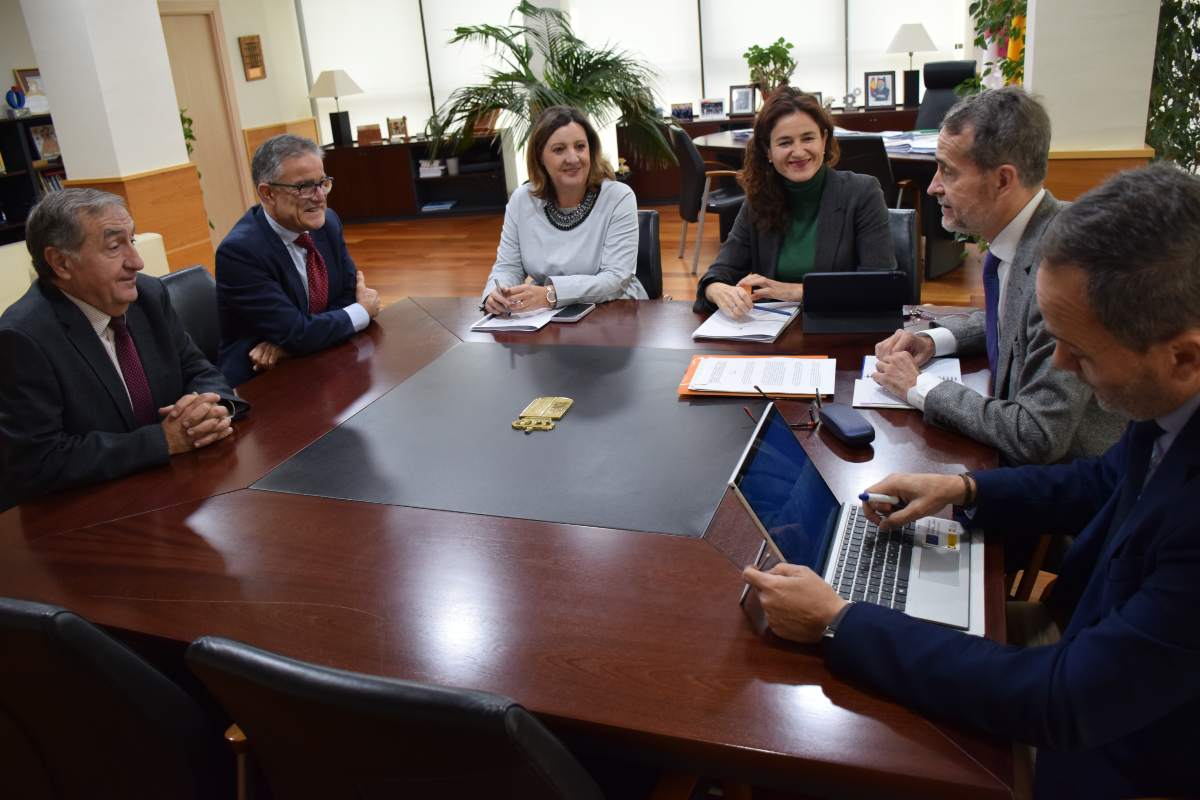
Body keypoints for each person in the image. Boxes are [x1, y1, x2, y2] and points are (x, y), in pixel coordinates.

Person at [743, 164, 1200, 798]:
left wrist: (840, 623)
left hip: (1114, 756)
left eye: (1082, 351)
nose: (1061, 363)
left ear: (1184, 356)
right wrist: (965, 491)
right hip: (1089, 648)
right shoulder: (1171, 405)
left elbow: (1062, 699)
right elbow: (1103, 480)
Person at [873, 87, 1123, 465]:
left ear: (1003, 181)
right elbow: (1011, 319)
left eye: (949, 171)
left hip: (1074, 488)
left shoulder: (1067, 268)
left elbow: (1037, 435)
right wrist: (934, 339)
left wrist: (918, 386)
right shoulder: (1027, 232)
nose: (933, 186)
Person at [0, 189, 248, 510]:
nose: (137, 261)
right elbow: (39, 461)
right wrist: (164, 441)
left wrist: (212, 408)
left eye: (133, 239)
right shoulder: (22, 338)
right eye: (115, 246)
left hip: (177, 492)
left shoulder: (148, 295)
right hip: (88, 517)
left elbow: (199, 369)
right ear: (61, 262)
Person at [693, 88, 895, 318]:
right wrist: (715, 289)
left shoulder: (862, 193)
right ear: (767, 151)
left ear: (824, 140)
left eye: (808, 138)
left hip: (839, 328)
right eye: (785, 142)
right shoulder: (758, 199)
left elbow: (879, 286)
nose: (798, 152)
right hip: (772, 335)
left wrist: (795, 292)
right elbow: (721, 270)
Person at [216, 134, 381, 387]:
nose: (319, 197)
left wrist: (295, 343)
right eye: (304, 187)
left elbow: (347, 295)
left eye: (323, 183)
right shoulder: (240, 252)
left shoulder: (327, 223)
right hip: (263, 379)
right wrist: (361, 312)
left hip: (317, 360)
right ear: (268, 193)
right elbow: (300, 331)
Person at [481, 106, 645, 315]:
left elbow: (615, 279)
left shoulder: (618, 197)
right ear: (540, 157)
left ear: (591, 150)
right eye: (559, 150)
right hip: (542, 315)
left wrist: (550, 294)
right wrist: (494, 295)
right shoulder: (521, 200)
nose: (573, 158)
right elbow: (508, 267)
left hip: (613, 310)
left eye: (580, 146)